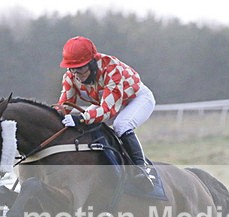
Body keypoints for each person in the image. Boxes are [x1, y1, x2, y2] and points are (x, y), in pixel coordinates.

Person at [55, 36, 156, 190]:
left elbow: (109, 109)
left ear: (92, 63)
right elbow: (64, 106)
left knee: (121, 125)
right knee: (85, 124)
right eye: (72, 68)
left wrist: (81, 119)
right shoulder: (70, 76)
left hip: (137, 99)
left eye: (80, 68)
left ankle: (142, 171)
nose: (76, 74)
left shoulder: (111, 67)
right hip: (109, 104)